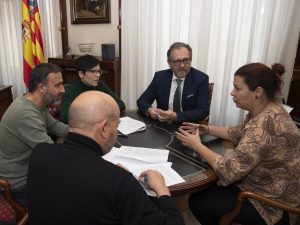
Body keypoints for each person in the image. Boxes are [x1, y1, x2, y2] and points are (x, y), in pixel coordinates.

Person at [27, 91, 185, 225]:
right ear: (104, 128)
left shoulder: (39, 153)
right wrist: (162, 190)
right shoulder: (119, 181)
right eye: (116, 126)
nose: (116, 132)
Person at [176, 63, 300, 225]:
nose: (232, 93)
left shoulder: (263, 125)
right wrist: (206, 129)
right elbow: (237, 132)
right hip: (265, 186)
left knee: (198, 202)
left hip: (270, 204)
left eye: (237, 88)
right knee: (204, 195)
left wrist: (197, 145)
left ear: (258, 92)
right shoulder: (269, 109)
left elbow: (229, 171)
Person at [0, 63, 68, 208]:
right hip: (19, 183)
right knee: (68, 198)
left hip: (31, 169)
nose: (62, 89)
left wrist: (85, 132)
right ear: (42, 88)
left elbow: (55, 126)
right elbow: (50, 153)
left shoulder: (36, 103)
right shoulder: (26, 114)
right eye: (58, 85)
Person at [137, 42, 210, 124]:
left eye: (186, 60)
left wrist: (176, 116)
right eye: (177, 61)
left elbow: (203, 111)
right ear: (169, 63)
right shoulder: (160, 77)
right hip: (162, 126)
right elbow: (142, 100)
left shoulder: (201, 79)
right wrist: (150, 110)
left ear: (191, 60)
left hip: (189, 127)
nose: (182, 65)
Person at [60, 54, 126, 124]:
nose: (98, 75)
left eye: (99, 71)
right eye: (93, 71)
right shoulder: (70, 90)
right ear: (81, 74)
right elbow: (65, 118)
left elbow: (121, 105)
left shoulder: (99, 85)